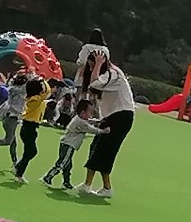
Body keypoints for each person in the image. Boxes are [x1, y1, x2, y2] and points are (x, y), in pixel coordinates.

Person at [77, 51, 134, 198]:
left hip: (121, 116)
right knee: (97, 147)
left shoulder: (114, 74)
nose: (91, 69)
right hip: (113, 116)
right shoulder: (107, 75)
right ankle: (92, 185)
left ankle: (102, 187)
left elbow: (95, 82)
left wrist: (98, 63)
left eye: (93, 65)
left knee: (105, 150)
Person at [42, 98, 108, 189]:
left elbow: (88, 121)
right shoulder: (81, 123)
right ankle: (48, 177)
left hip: (67, 144)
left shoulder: (78, 118)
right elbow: (92, 129)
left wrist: (98, 121)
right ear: (83, 113)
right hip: (69, 145)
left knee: (68, 165)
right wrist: (103, 131)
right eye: (90, 112)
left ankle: (66, 182)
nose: (91, 115)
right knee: (62, 163)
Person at [0, 71, 30, 168]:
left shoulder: (13, 87)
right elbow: (29, 82)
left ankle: (14, 162)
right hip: (12, 117)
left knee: (13, 141)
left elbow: (10, 82)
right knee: (8, 140)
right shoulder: (22, 90)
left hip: (7, 115)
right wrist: (31, 73)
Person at [11, 77, 52, 183]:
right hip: (29, 127)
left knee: (30, 152)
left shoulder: (34, 98)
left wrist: (41, 81)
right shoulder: (36, 99)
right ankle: (19, 173)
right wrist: (43, 81)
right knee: (30, 152)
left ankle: (18, 168)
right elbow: (48, 91)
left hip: (30, 127)